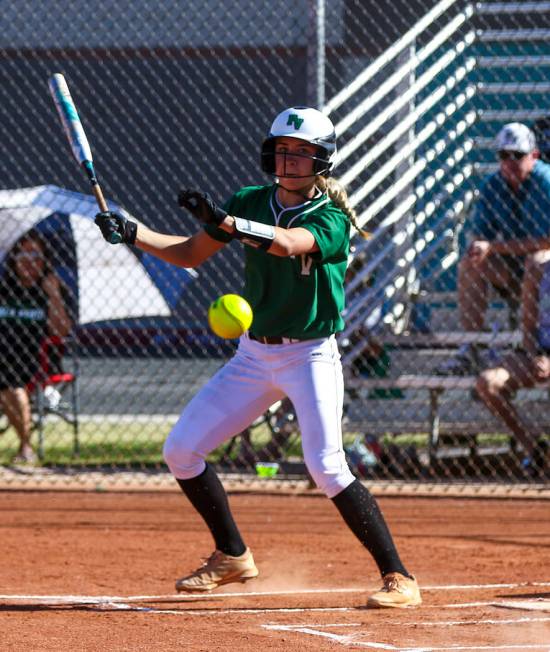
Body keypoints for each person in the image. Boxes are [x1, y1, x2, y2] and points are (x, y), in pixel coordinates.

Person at [94, 106, 421, 608]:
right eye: (283, 150)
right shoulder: (250, 201)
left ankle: (399, 578)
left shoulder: (332, 219)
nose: (290, 160)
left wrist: (226, 221)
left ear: (323, 161)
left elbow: (289, 243)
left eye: (302, 153)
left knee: (327, 467)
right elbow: (188, 253)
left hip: (310, 355)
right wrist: (133, 232)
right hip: (253, 355)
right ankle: (231, 555)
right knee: (181, 449)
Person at [438, 122, 550, 375]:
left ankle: (531, 344)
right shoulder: (494, 184)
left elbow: (548, 241)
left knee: (537, 258)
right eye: (503, 155)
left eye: (518, 155)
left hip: (544, 269)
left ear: (534, 155)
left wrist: (493, 246)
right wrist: (480, 247)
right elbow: (482, 234)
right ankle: (472, 346)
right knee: (471, 262)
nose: (510, 162)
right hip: (512, 266)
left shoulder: (545, 181)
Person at [0, 230, 73, 463]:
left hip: (36, 360)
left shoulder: (52, 289)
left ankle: (25, 447)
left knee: (9, 380)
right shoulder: (3, 288)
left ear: (45, 260)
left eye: (36, 256)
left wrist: (53, 294)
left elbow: (60, 331)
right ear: (14, 259)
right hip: (3, 354)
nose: (30, 262)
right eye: (24, 255)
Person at [475, 251, 550, 477]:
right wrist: (534, 355)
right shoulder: (538, 264)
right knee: (487, 383)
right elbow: (528, 324)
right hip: (539, 351)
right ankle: (535, 450)